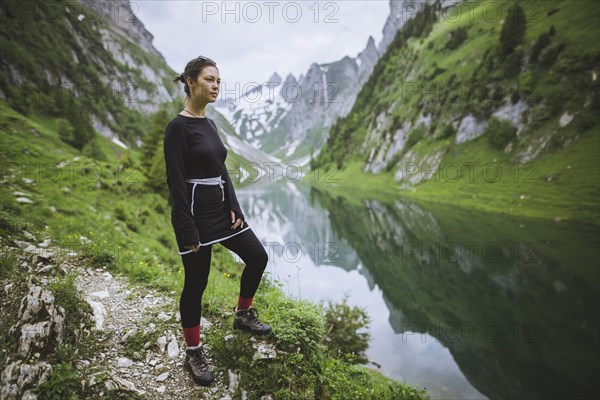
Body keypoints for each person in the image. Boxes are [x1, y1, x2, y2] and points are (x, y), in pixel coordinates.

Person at [163, 55, 271, 387]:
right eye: (210, 79)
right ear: (191, 82)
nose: (216, 86)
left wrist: (234, 206)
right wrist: (187, 227)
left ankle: (242, 314)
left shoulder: (209, 123)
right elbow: (176, 182)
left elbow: (221, 169)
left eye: (219, 81)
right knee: (196, 285)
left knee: (257, 256)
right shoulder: (177, 128)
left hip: (221, 211)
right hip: (193, 215)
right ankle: (193, 351)